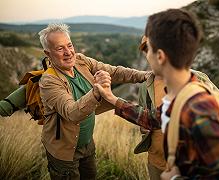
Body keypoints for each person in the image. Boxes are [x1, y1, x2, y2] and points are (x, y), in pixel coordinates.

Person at [94, 9, 219, 179]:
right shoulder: (176, 98)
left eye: (149, 49)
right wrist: (110, 98)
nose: (146, 55)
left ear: (160, 56)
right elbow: (152, 119)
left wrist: (175, 178)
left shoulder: (198, 107)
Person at [37, 23, 149, 180]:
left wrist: (144, 75)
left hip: (88, 144)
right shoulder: (49, 81)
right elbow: (72, 113)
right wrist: (97, 90)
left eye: (69, 45)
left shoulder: (81, 61)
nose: (68, 52)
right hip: (64, 152)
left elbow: (114, 71)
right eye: (60, 48)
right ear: (48, 53)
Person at [134, 36, 218, 180]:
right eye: (146, 49)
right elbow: (145, 117)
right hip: (156, 161)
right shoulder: (145, 86)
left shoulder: (197, 78)